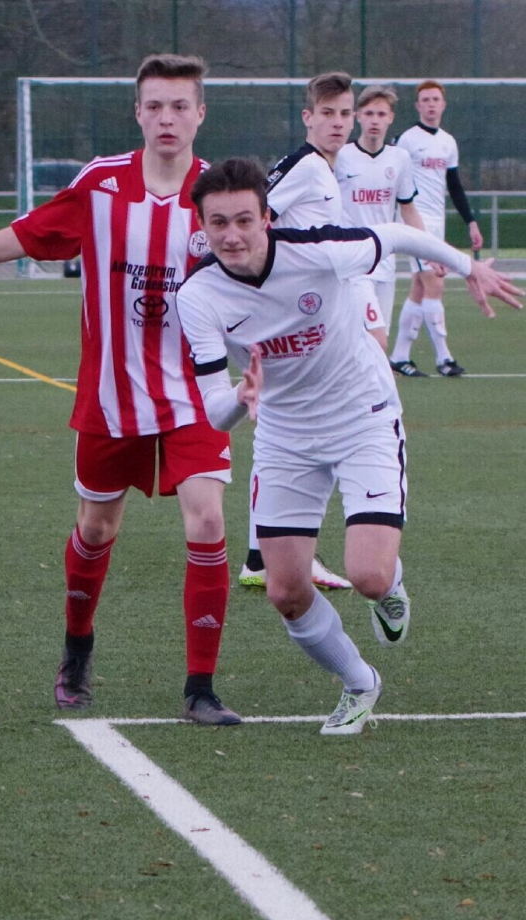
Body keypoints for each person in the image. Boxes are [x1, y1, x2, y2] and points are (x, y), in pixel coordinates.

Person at [0, 54, 240, 725]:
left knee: (209, 520)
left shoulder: (217, 196)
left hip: (196, 393)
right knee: (96, 527)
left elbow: (266, 265)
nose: (166, 118)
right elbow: (30, 233)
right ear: (137, 113)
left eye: (179, 106)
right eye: (155, 106)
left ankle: (201, 687)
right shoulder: (101, 185)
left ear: (200, 113)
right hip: (111, 395)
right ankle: (77, 650)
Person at [176, 157, 521, 734]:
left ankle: (391, 585)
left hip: (363, 418)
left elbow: (399, 234)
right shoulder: (199, 295)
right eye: (218, 223)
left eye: (243, 220)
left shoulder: (321, 249)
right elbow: (215, 412)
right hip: (285, 438)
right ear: (202, 226)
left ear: (266, 217)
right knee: (285, 591)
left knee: (368, 576)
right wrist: (241, 395)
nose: (232, 235)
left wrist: (468, 268)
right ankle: (359, 683)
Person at [239, 72, 355, 592]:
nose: (338, 123)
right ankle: (276, 556)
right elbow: (256, 215)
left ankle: (261, 557)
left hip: (308, 320)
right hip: (290, 322)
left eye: (345, 114)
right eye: (327, 113)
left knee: (286, 435)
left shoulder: (325, 169)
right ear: (308, 118)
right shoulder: (306, 166)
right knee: (299, 436)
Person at [390, 80, 484, 378]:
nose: (430, 104)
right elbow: (393, 178)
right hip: (414, 221)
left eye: (435, 99)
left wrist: (471, 222)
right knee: (435, 283)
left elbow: (454, 186)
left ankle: (399, 356)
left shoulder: (447, 142)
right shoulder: (407, 140)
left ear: (443, 105)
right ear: (417, 106)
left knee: (420, 287)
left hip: (436, 221)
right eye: (425, 99)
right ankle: (444, 358)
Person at [335, 84, 428, 352]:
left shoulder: (400, 158)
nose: (374, 120)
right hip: (354, 265)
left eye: (381, 114)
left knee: (373, 346)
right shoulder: (341, 156)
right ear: (357, 116)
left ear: (390, 118)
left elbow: (408, 210)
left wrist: (430, 253)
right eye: (369, 114)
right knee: (377, 342)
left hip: (385, 264)